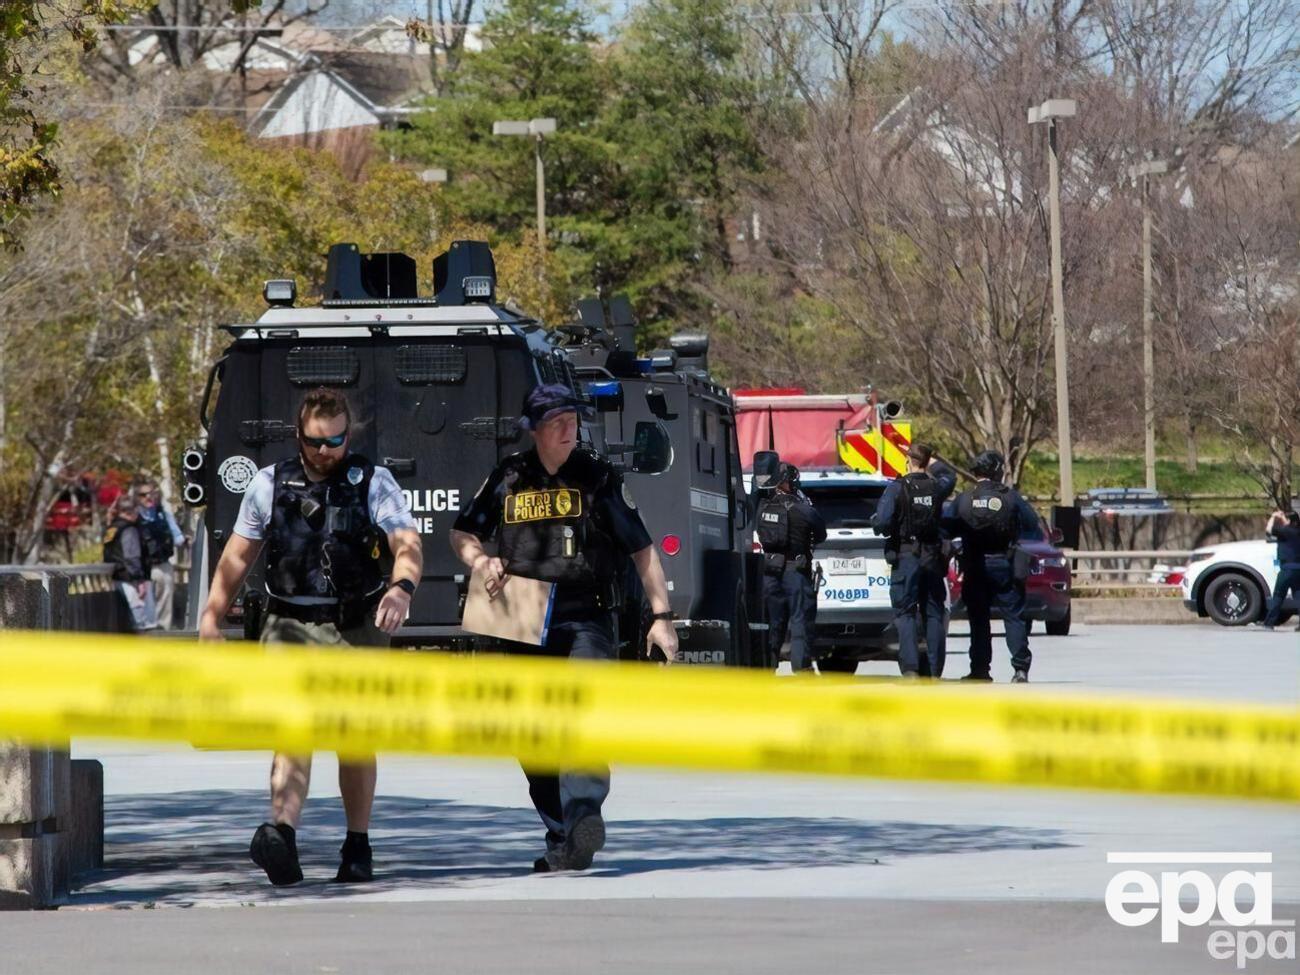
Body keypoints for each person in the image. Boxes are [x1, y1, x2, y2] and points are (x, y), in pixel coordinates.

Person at [449, 383, 679, 874]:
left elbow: (642, 549)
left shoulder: (596, 477)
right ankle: (564, 833)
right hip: (520, 618)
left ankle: (583, 816)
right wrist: (480, 558)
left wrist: (662, 619)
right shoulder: (509, 477)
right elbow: (463, 530)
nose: (567, 429)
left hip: (585, 615)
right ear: (534, 430)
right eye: (556, 422)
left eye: (571, 420)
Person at [198, 388, 423, 887]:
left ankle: (357, 845)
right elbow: (237, 557)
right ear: (299, 436)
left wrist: (402, 588)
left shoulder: (374, 482)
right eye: (315, 442)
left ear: (349, 433)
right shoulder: (268, 483)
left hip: (355, 625)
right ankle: (283, 838)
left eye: (336, 440)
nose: (326, 451)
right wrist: (211, 615)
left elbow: (406, 543)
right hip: (289, 623)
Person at [942, 450, 1039, 683]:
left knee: (978, 620)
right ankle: (1020, 669)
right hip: (1004, 563)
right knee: (1014, 618)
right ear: (996, 470)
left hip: (975, 566)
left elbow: (946, 528)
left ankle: (980, 670)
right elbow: (1031, 524)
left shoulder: (964, 499)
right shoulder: (1011, 497)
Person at [871, 444, 957, 677]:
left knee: (905, 613)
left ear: (908, 460)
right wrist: (932, 461)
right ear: (926, 462)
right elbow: (950, 475)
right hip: (931, 556)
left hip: (906, 555)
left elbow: (881, 522)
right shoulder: (936, 488)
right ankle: (935, 670)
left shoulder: (897, 488)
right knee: (933, 612)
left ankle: (910, 669)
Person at [756, 462, 827, 674]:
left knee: (773, 622)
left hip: (769, 572)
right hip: (796, 572)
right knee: (800, 621)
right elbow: (821, 535)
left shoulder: (763, 506)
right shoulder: (803, 508)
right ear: (786, 481)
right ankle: (801, 668)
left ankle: (769, 666)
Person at [135, 478, 187, 630]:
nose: (148, 497)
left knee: (165, 601)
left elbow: (178, 537)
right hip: (144, 567)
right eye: (143, 495)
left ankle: (164, 633)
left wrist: (185, 540)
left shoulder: (163, 514)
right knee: (145, 602)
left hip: (164, 565)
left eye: (151, 493)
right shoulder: (134, 517)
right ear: (137, 497)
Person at [103, 494, 157, 631]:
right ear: (133, 511)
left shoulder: (112, 528)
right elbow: (132, 556)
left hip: (118, 577)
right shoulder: (129, 529)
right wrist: (139, 581)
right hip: (131, 580)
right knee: (143, 622)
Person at [1258, 508, 1300, 631]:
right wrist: (1284, 518)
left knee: (1278, 596)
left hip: (1287, 569)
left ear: (1288, 521)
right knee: (1298, 596)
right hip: (1298, 569)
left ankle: (1269, 623)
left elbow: (1268, 530)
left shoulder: (1285, 531)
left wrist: (1274, 517)